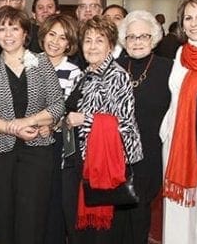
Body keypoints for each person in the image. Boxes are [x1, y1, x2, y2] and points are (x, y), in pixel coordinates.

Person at [0, 6, 65, 244]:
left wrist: (29, 122)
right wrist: (13, 128)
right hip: (2, 154)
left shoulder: (41, 63)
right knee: (4, 215)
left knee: (33, 216)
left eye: (14, 28)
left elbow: (57, 106)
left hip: (38, 150)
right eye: (2, 28)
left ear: (26, 33)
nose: (8, 34)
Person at [64, 15, 142, 244]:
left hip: (106, 163)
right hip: (83, 159)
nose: (92, 46)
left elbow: (124, 123)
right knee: (83, 228)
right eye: (88, 40)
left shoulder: (118, 76)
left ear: (110, 45)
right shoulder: (85, 73)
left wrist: (84, 120)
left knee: (102, 234)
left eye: (99, 40)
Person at [160, 0, 197, 244]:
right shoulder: (181, 53)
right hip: (176, 139)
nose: (194, 23)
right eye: (188, 18)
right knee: (175, 205)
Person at [115, 10, 172, 244]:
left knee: (140, 211)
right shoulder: (115, 67)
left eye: (143, 36)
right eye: (131, 37)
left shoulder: (169, 69)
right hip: (117, 153)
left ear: (154, 38)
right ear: (124, 40)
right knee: (116, 213)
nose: (137, 41)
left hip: (150, 153)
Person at [36, 14, 82, 244]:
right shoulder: (28, 63)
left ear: (69, 43)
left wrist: (52, 125)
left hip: (56, 146)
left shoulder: (74, 73)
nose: (55, 41)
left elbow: (70, 113)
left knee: (53, 203)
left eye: (62, 37)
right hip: (26, 143)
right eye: (51, 34)